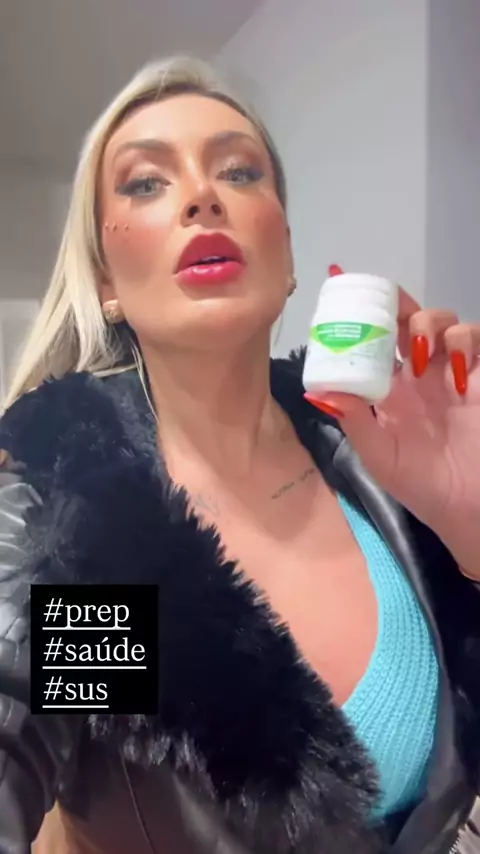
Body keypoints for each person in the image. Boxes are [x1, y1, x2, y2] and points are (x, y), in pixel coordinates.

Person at [0, 54, 479, 854]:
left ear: (286, 251)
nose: (202, 196)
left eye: (239, 171)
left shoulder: (384, 470)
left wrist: (472, 529)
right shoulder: (72, 532)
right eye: (146, 183)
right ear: (107, 282)